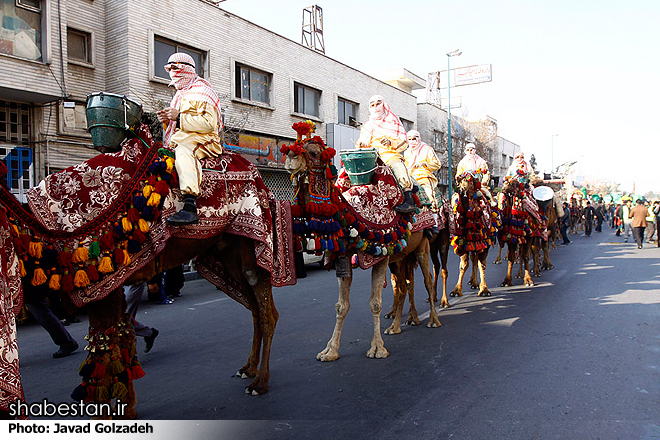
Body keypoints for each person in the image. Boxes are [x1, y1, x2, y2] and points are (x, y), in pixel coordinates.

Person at [157, 52, 223, 226]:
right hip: (183, 136)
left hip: (204, 140)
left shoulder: (202, 91)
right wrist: (167, 121)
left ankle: (190, 206)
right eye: (169, 69)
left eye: (176, 68)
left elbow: (209, 124)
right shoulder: (180, 95)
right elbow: (177, 125)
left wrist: (178, 117)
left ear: (186, 70)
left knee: (184, 150)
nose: (172, 73)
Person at [355, 95, 416, 213]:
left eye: (378, 104)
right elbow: (360, 143)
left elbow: (404, 142)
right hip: (371, 156)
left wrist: (390, 142)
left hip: (389, 154)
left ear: (383, 105)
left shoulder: (393, 121)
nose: (375, 107)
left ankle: (408, 198)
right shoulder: (367, 125)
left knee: (397, 166)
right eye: (372, 105)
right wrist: (361, 145)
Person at [404, 130, 443, 232]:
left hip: (424, 176)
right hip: (410, 177)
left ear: (419, 138)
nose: (413, 141)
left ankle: (434, 221)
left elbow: (437, 164)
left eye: (415, 138)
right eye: (410, 139)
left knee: (429, 193)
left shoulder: (427, 149)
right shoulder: (407, 152)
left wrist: (424, 164)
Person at [124, 283, 160, 353]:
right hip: (116, 283)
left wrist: (151, 282)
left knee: (125, 319)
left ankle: (130, 354)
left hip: (134, 282)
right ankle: (149, 333)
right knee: (120, 320)